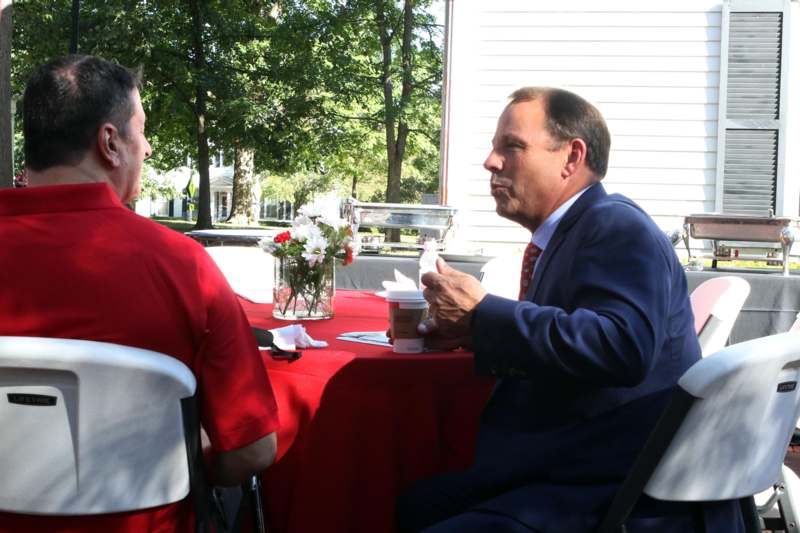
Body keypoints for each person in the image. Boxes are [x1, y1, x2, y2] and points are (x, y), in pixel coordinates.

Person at [396, 87, 743, 532]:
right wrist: (472, 332)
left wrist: (483, 314)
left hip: (613, 496)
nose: (491, 162)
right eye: (494, 147)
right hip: (582, 472)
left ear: (571, 157)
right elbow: (572, 342)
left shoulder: (615, 225)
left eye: (513, 146)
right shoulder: (572, 233)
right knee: (414, 501)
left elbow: (623, 347)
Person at [0, 55, 279, 532]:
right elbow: (253, 450)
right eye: (142, 130)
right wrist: (188, 457)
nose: (147, 148)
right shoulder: (183, 266)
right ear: (110, 143)